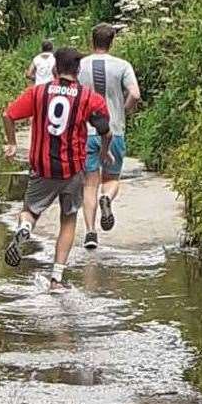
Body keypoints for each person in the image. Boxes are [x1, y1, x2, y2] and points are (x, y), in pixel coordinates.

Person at [3, 48, 112, 289]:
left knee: (30, 210)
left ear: (54, 69)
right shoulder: (89, 98)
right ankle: (56, 278)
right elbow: (105, 129)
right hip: (72, 169)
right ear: (78, 71)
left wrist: (12, 143)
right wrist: (104, 151)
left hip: (41, 168)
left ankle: (24, 227)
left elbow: (8, 115)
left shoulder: (37, 93)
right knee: (68, 219)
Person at [78, 23, 141, 249]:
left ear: (91, 40)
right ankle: (107, 198)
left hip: (86, 132)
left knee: (89, 184)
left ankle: (91, 233)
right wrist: (123, 109)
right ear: (112, 41)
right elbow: (135, 93)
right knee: (112, 179)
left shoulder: (80, 65)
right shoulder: (122, 65)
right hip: (113, 129)